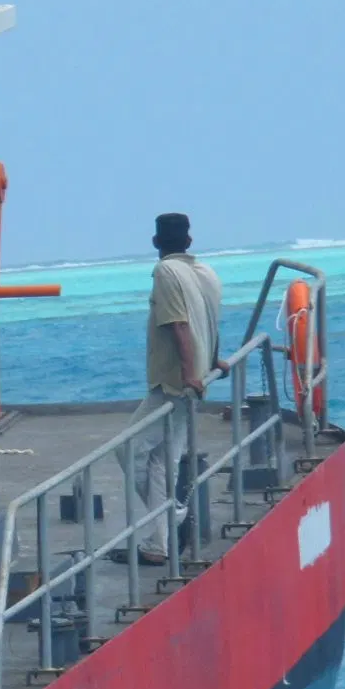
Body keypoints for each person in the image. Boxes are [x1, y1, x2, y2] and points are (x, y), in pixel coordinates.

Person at [118, 212, 224, 565]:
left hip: (172, 385)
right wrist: (213, 361)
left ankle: (170, 514)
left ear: (155, 243)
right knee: (164, 462)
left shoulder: (166, 272)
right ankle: (159, 543)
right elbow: (209, 319)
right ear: (189, 242)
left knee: (129, 449)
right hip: (190, 383)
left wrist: (190, 372)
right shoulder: (201, 273)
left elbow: (180, 325)